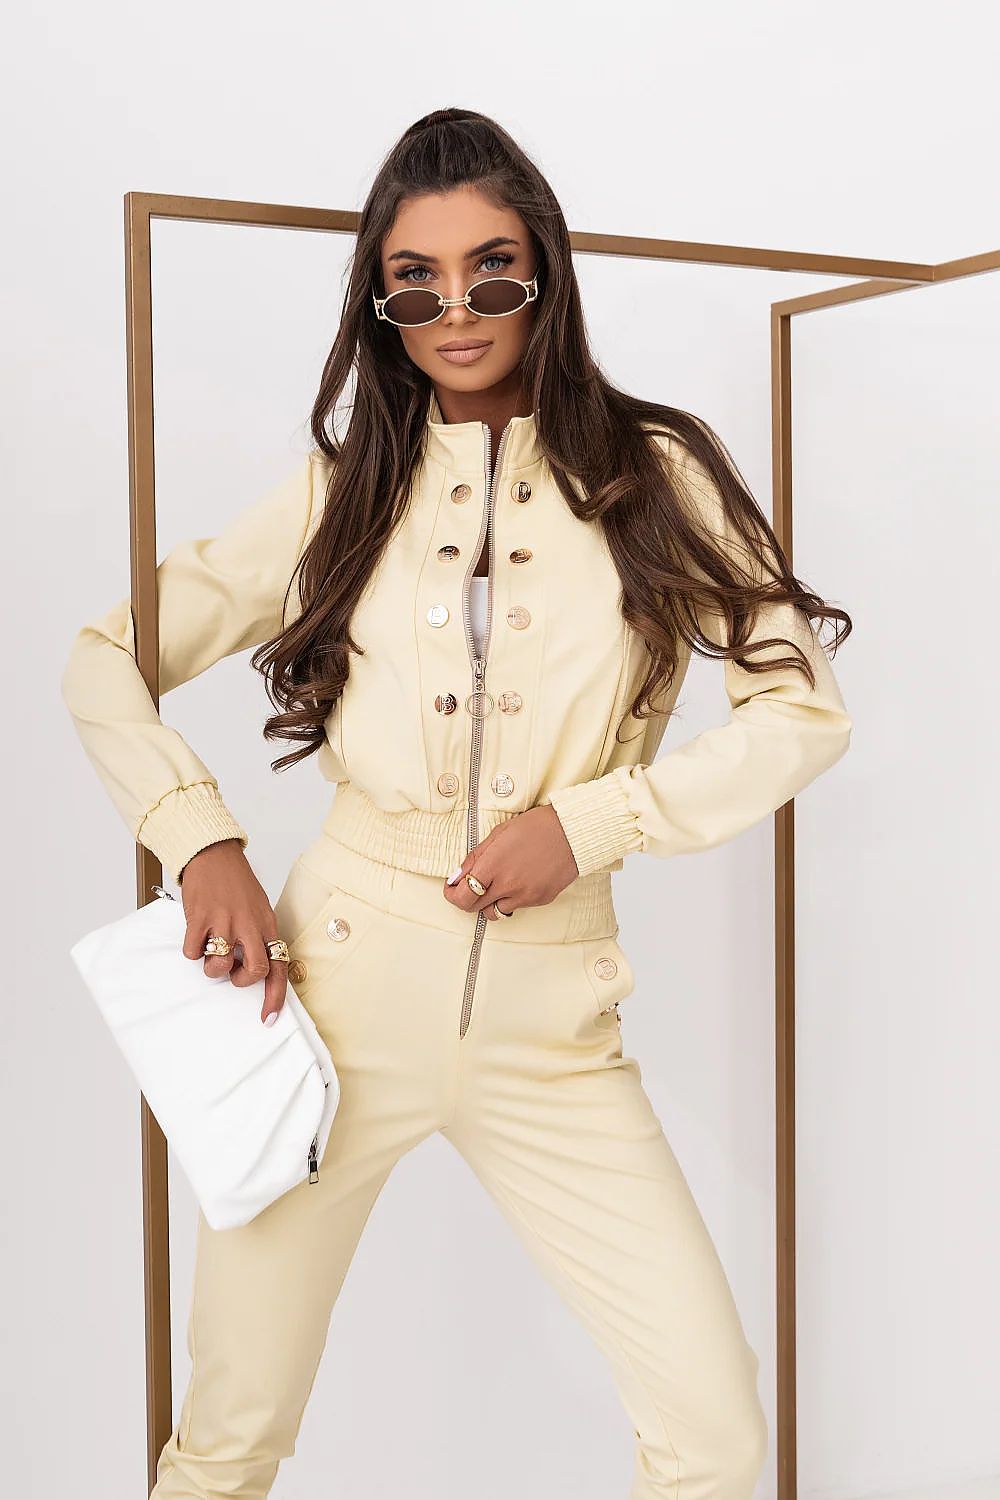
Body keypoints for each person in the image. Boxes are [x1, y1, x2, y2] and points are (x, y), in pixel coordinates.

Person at [61, 107, 853, 1500]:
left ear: (544, 269)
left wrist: (593, 824)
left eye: (492, 269)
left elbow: (803, 714)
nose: (456, 308)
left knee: (716, 1437)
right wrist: (201, 840)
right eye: (414, 280)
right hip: (325, 995)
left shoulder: (653, 477)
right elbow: (102, 660)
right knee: (229, 1433)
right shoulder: (342, 490)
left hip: (557, 1017)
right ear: (381, 300)